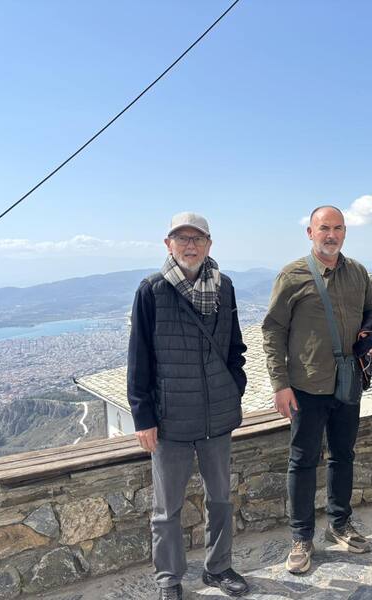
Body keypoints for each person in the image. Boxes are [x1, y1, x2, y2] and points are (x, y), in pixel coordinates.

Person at [127, 212, 250, 599]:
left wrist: (234, 387)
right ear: (168, 245)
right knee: (167, 510)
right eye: (182, 238)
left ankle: (219, 568)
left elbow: (235, 347)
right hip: (171, 420)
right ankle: (169, 579)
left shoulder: (224, 287)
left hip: (217, 416)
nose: (190, 245)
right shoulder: (151, 291)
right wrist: (143, 417)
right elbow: (139, 359)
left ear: (209, 244)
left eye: (197, 239)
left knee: (221, 500)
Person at [262, 205, 372, 574]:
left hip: (348, 382)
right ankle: (301, 538)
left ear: (345, 232)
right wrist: (280, 384)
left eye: (338, 228)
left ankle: (340, 525)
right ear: (310, 232)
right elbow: (273, 331)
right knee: (302, 461)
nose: (331, 235)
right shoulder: (292, 275)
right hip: (306, 386)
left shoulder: (358, 273)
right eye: (324, 228)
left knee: (343, 455)